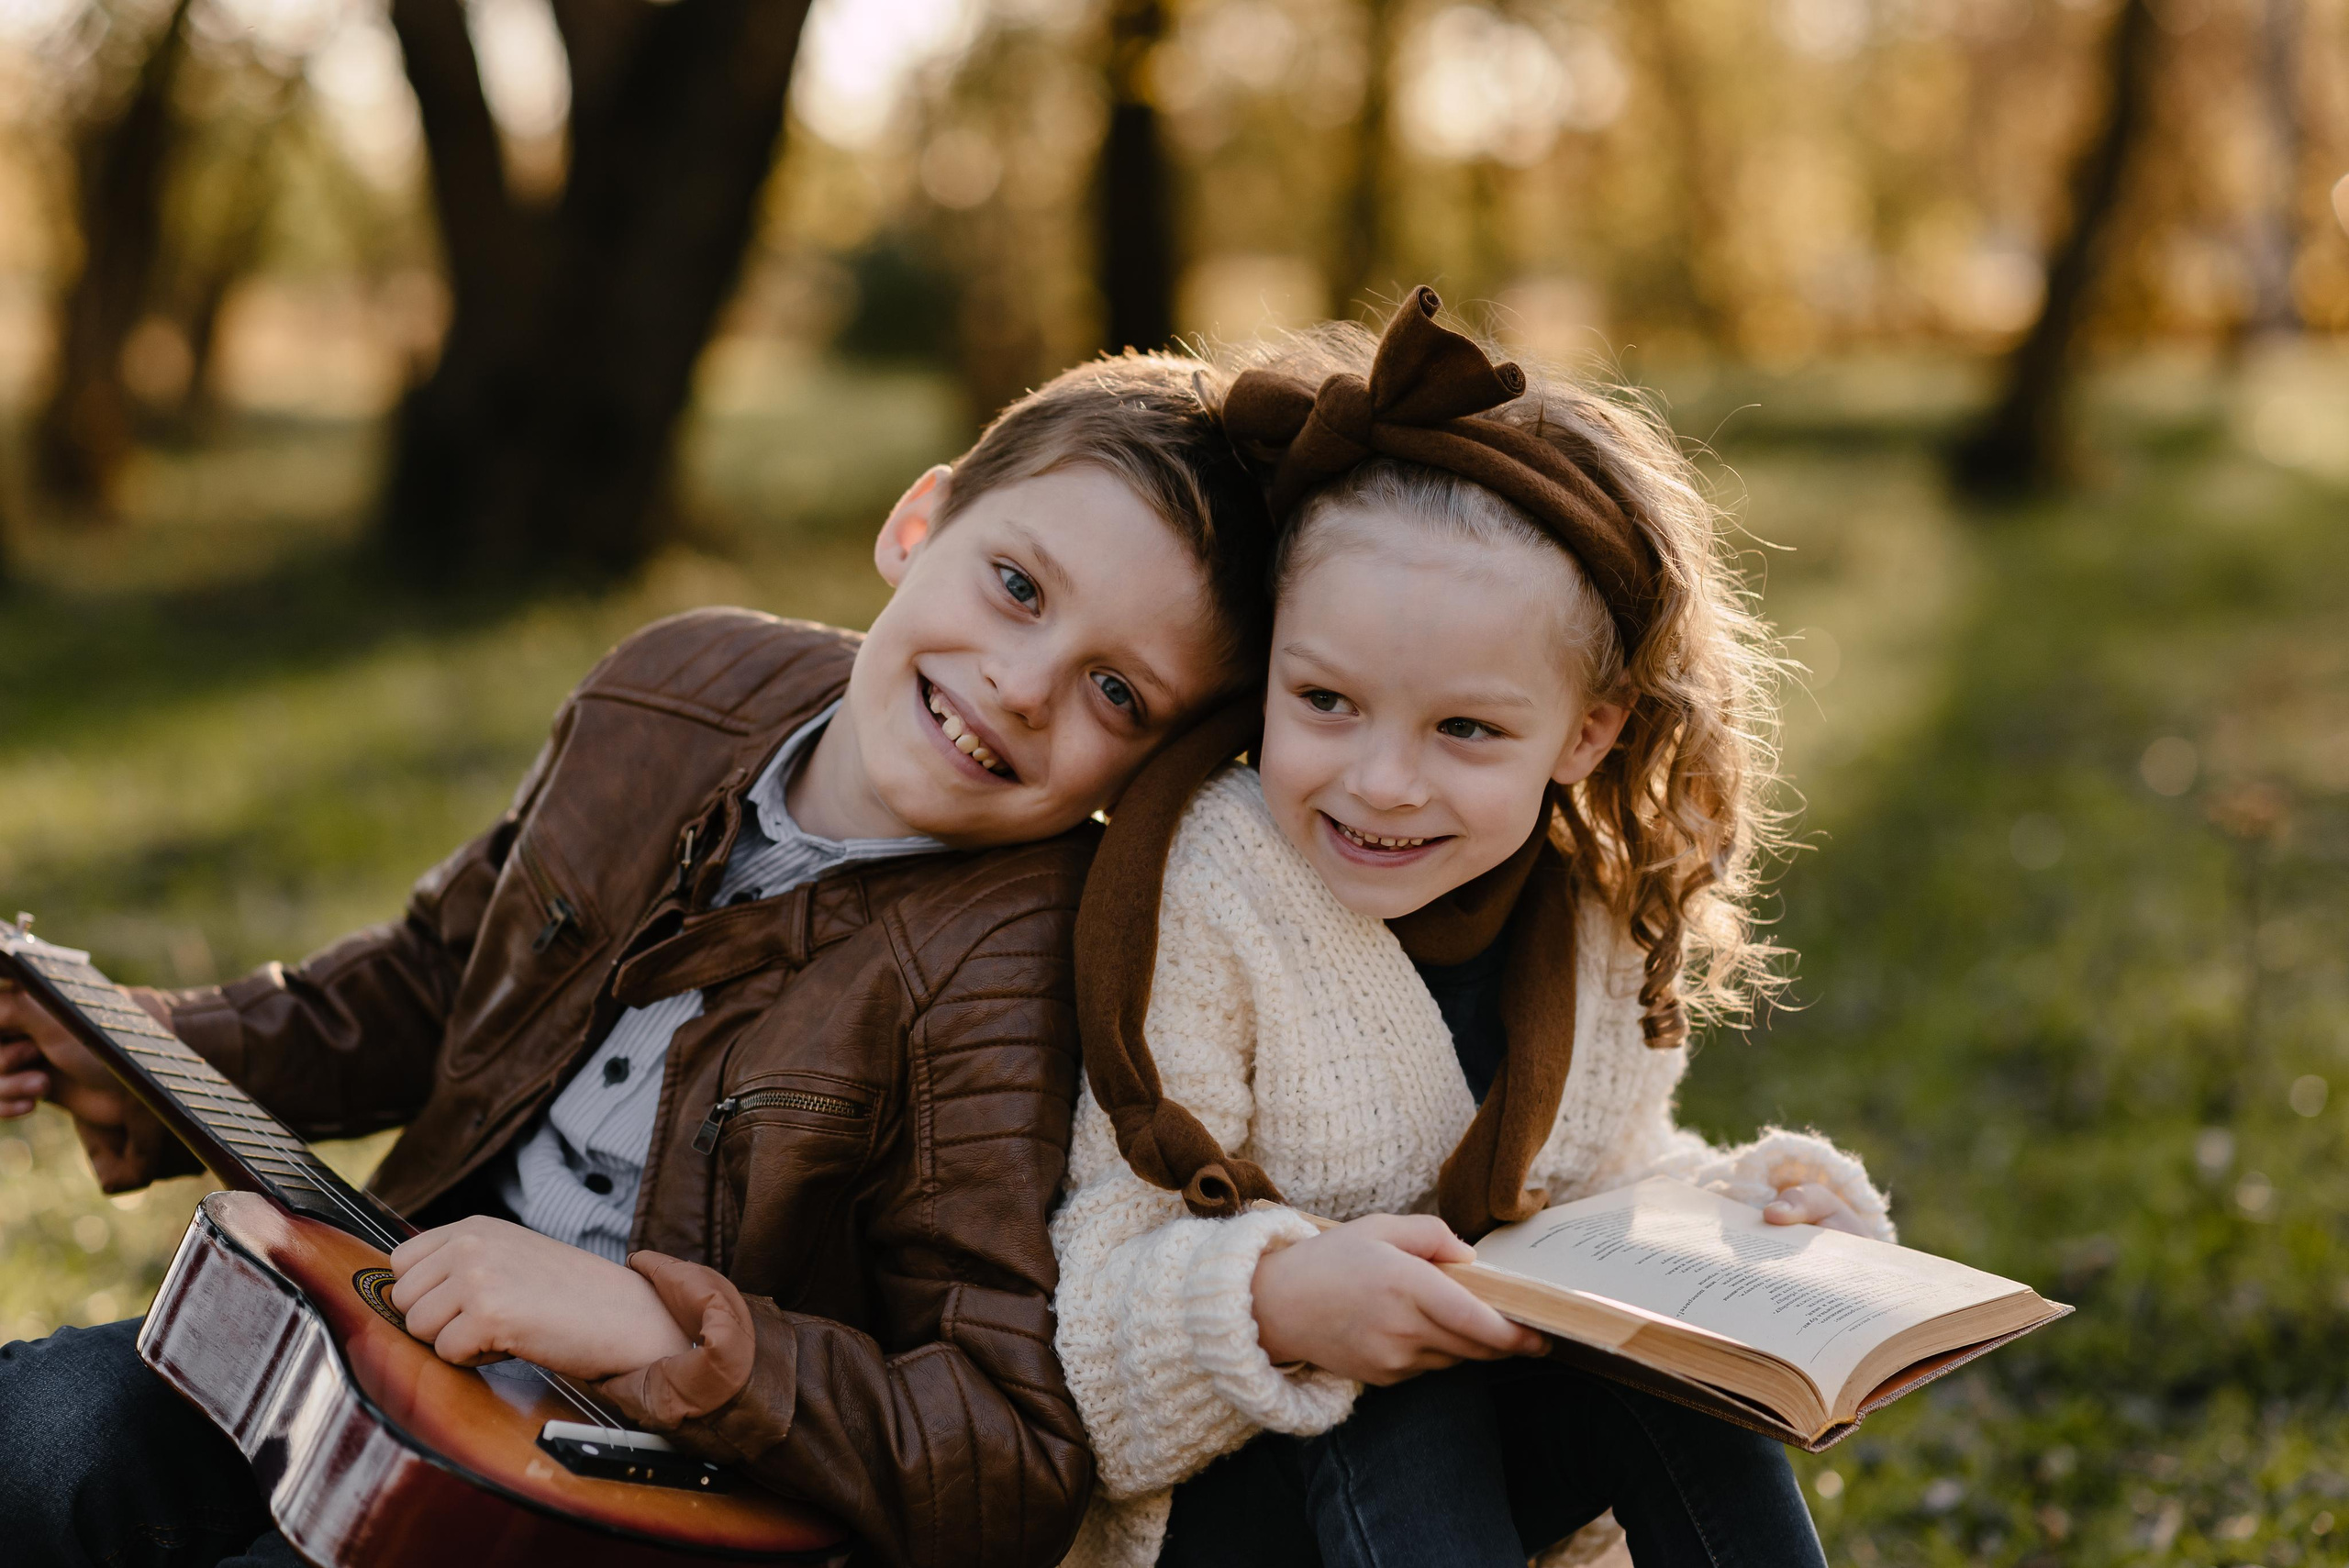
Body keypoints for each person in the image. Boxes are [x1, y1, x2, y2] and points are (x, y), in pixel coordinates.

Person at [0, 352, 1277, 1568]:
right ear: (919, 522)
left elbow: (1004, 1443)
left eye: (1118, 692)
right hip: (394, 1354)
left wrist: (662, 1332)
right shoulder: (673, 688)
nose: (1021, 682)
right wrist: (125, 1037)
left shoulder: (1018, 960)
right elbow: (434, 983)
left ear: (1157, 770)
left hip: (635, 1496)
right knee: (49, 1437)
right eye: (1017, 584)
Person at [1049, 289, 1896, 1568]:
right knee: (1402, 1397)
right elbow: (1089, 1316)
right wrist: (1289, 1300)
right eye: (1325, 699)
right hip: (1234, 1506)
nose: (1384, 781)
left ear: (1588, 732)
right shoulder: (1209, 888)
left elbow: (1600, 1199)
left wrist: (1735, 1217)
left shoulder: (1594, 906)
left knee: (1675, 1382)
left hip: (1493, 1493)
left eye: (1466, 729)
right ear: (1270, 659)